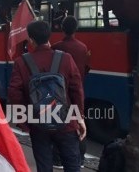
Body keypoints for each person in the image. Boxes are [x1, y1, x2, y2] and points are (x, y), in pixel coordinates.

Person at [8, 20, 86, 172]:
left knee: (44, 166)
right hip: (66, 121)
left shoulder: (21, 62)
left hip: (38, 123)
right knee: (72, 165)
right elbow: (77, 90)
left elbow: (14, 93)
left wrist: (24, 121)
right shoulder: (66, 58)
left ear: (30, 40)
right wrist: (80, 118)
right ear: (49, 36)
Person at [51, 16, 91, 168]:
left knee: (58, 125)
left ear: (62, 28)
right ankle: (80, 159)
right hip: (78, 91)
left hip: (60, 94)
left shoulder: (56, 47)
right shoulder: (83, 47)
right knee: (79, 123)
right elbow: (87, 68)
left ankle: (57, 159)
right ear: (76, 29)